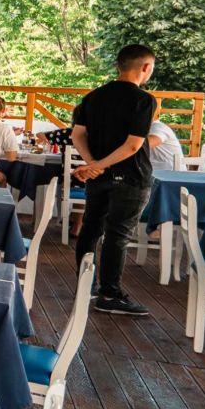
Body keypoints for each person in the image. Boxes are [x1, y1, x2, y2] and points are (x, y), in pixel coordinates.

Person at [71, 44, 158, 316]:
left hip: (98, 177)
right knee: (117, 234)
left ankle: (86, 284)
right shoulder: (143, 100)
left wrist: (92, 164)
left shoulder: (93, 96)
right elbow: (133, 145)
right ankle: (110, 294)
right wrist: (96, 165)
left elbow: (77, 135)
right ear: (145, 67)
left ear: (119, 65)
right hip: (131, 176)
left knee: (91, 229)